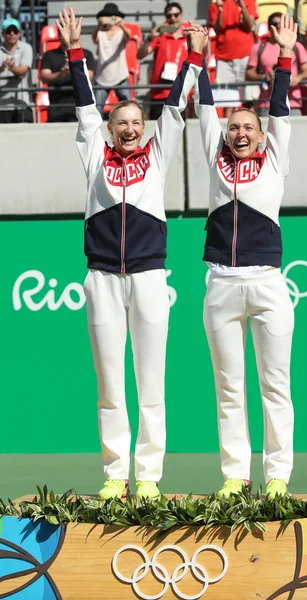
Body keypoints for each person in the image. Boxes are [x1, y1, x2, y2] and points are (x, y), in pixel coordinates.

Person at [56, 7, 205, 500]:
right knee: (110, 384)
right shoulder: (94, 154)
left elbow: (176, 107)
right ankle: (116, 476)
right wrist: (75, 52)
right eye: (120, 121)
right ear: (109, 128)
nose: (129, 128)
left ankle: (150, 479)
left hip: (148, 277)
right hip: (100, 277)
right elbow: (82, 108)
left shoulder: (158, 156)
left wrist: (194, 57)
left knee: (151, 381)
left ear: (144, 127)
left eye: (136, 121)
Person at [192, 14, 297, 500]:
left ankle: (277, 476)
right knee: (229, 389)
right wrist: (201, 60)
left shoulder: (275, 158)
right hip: (221, 286)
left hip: (268, 285)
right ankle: (236, 476)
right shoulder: (216, 158)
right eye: (234, 127)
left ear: (259, 134)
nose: (238, 132)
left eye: (247, 127)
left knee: (274, 387)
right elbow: (206, 109)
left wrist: (284, 59)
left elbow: (279, 112)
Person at [246, 12, 307, 116]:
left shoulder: (297, 46)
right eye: (275, 24)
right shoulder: (257, 48)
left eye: (281, 23)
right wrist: (263, 76)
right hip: (266, 103)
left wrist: (297, 78)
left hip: (292, 102)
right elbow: (249, 74)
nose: (279, 26)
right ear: (269, 27)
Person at [137, 2, 188, 120]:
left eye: (176, 15)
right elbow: (140, 55)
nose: (173, 18)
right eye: (169, 16)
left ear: (181, 15)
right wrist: (151, 37)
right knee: (158, 132)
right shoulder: (160, 36)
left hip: (181, 92)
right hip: (159, 92)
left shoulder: (188, 36)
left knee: (179, 133)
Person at [208, 0, 258, 117]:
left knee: (248, 99)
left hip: (246, 55)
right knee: (227, 101)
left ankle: (253, 129)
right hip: (224, 57)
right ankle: (228, 132)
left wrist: (241, 5)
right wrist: (220, 11)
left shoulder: (248, 1)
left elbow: (250, 24)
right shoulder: (215, 4)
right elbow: (216, 30)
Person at [91, 2, 132, 114]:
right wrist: (99, 25)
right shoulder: (100, 32)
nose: (111, 19)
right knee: (97, 110)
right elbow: (94, 38)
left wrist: (121, 25)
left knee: (128, 109)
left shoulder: (121, 32)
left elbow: (129, 36)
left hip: (120, 76)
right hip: (102, 77)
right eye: (108, 16)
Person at [40, 41, 95, 122]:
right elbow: (44, 77)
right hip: (56, 110)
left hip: (81, 109)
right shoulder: (49, 55)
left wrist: (74, 70)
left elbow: (89, 77)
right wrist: (61, 74)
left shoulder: (86, 54)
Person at [0, 17, 32, 123]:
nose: (12, 34)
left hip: (22, 103)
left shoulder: (26, 48)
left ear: (19, 33)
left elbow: (23, 70)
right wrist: (2, 68)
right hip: (2, 106)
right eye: (8, 31)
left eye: (15, 31)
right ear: (3, 33)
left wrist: (11, 67)